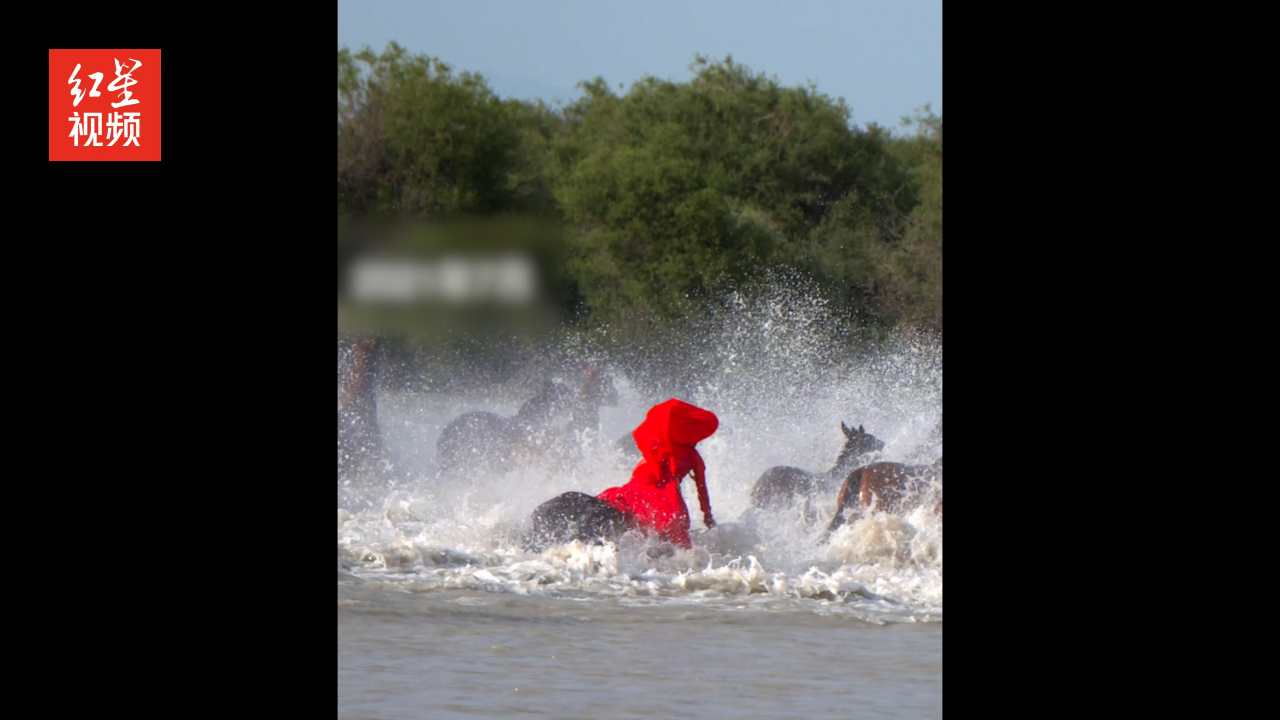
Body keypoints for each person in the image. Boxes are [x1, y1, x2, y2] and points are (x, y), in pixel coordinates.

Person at [596, 398, 719, 549]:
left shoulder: (655, 449)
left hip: (637, 492)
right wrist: (707, 515)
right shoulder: (694, 457)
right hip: (668, 498)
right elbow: (702, 490)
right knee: (681, 547)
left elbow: (638, 475)